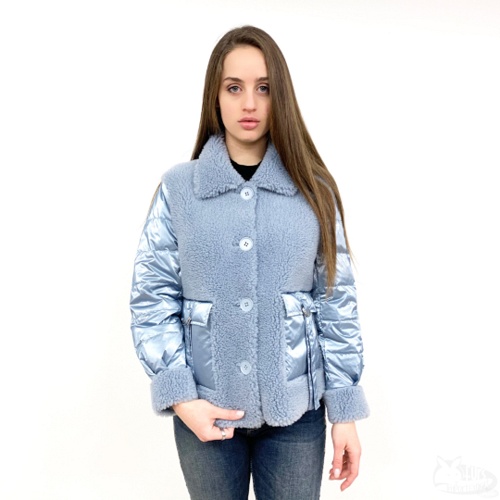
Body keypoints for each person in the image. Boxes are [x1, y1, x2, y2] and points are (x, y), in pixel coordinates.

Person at [130, 25, 369, 500]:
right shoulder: (180, 189)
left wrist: (344, 412)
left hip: (296, 416)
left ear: (280, 96)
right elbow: (152, 298)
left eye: (263, 88)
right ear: (214, 97)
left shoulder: (314, 191)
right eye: (234, 88)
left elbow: (336, 303)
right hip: (205, 411)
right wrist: (182, 397)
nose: (249, 103)